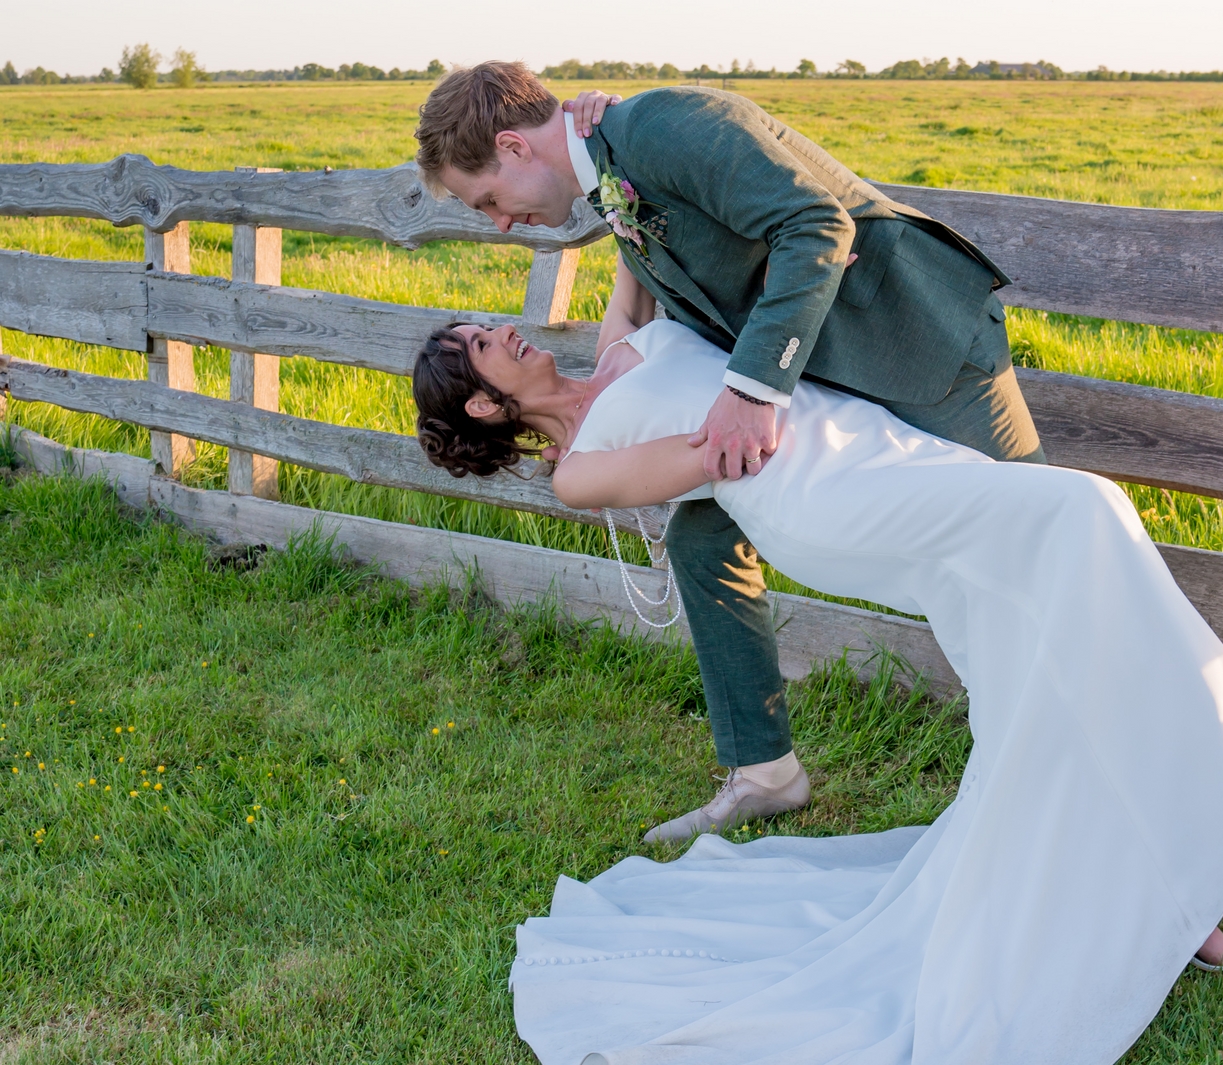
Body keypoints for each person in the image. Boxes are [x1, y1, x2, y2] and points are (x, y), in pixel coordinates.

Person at [409, 304, 1223, 1063]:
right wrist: (755, 396)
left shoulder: (617, 348)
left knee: (1044, 649)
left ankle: (1164, 886)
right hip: (818, 492)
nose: (508, 331)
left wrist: (612, 164)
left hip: (877, 444)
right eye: (485, 344)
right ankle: (1190, 837)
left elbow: (632, 248)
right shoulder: (577, 472)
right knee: (1086, 508)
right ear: (487, 403)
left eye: (491, 323)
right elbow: (720, 453)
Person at [413, 62, 1042, 842]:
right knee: (702, 537)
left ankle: (1070, 785)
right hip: (828, 373)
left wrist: (749, 393)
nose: (501, 222)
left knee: (1032, 555)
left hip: (918, 344)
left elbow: (817, 225)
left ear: (512, 147)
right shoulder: (613, 172)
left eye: (489, 201)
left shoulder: (662, 127)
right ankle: (765, 771)